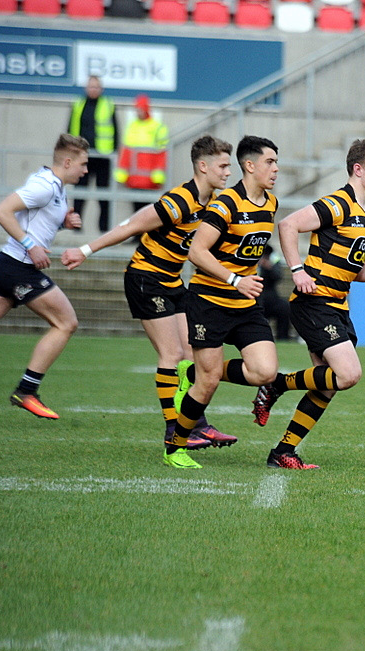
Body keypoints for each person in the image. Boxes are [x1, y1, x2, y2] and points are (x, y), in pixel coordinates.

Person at [61, 135, 239, 451]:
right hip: (145, 278)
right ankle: (174, 430)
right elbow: (131, 226)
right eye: (223, 166)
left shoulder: (212, 202)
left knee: (192, 355)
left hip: (172, 281)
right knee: (172, 354)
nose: (228, 172)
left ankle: (196, 424)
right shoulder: (180, 200)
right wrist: (84, 250)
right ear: (203, 166)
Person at [249, 138, 365, 467]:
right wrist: (297, 270)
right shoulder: (338, 204)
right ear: (358, 169)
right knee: (348, 374)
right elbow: (288, 225)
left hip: (338, 308)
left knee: (326, 385)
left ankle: (283, 452)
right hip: (314, 303)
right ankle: (277, 384)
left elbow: (357, 273)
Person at [160, 135, 282, 469]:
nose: (275, 168)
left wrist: (244, 282)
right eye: (270, 162)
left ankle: (192, 372)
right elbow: (196, 252)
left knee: (265, 371)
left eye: (276, 162)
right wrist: (235, 279)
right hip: (209, 302)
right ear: (250, 165)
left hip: (245, 304)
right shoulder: (226, 204)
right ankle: (175, 447)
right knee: (209, 382)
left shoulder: (270, 203)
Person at [0, 134, 88, 419]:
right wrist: (30, 245)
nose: (86, 170)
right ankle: (27, 390)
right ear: (68, 162)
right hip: (19, 267)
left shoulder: (55, 186)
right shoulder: (44, 186)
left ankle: (27, 391)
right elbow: (2, 211)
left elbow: (35, 219)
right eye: (83, 164)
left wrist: (63, 223)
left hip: (9, 265)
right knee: (66, 322)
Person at [68, 75, 117, 233]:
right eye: (91, 86)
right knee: (79, 194)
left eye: (96, 87)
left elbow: (116, 131)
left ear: (101, 89)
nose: (93, 90)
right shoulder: (78, 104)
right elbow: (70, 129)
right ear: (86, 88)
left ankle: (104, 229)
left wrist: (113, 154)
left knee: (104, 196)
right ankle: (76, 227)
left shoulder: (108, 105)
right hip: (82, 157)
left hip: (103, 158)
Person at [115, 94, 169, 214]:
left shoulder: (157, 127)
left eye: (140, 109)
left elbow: (162, 153)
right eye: (137, 109)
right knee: (136, 212)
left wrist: (158, 176)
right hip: (134, 179)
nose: (138, 112)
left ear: (146, 109)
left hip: (150, 180)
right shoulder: (132, 126)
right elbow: (126, 152)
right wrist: (121, 175)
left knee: (149, 213)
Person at [257, 244, 292, 342]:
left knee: (284, 308)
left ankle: (283, 338)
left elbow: (278, 276)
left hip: (270, 296)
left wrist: (268, 267)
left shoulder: (273, 258)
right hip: (254, 296)